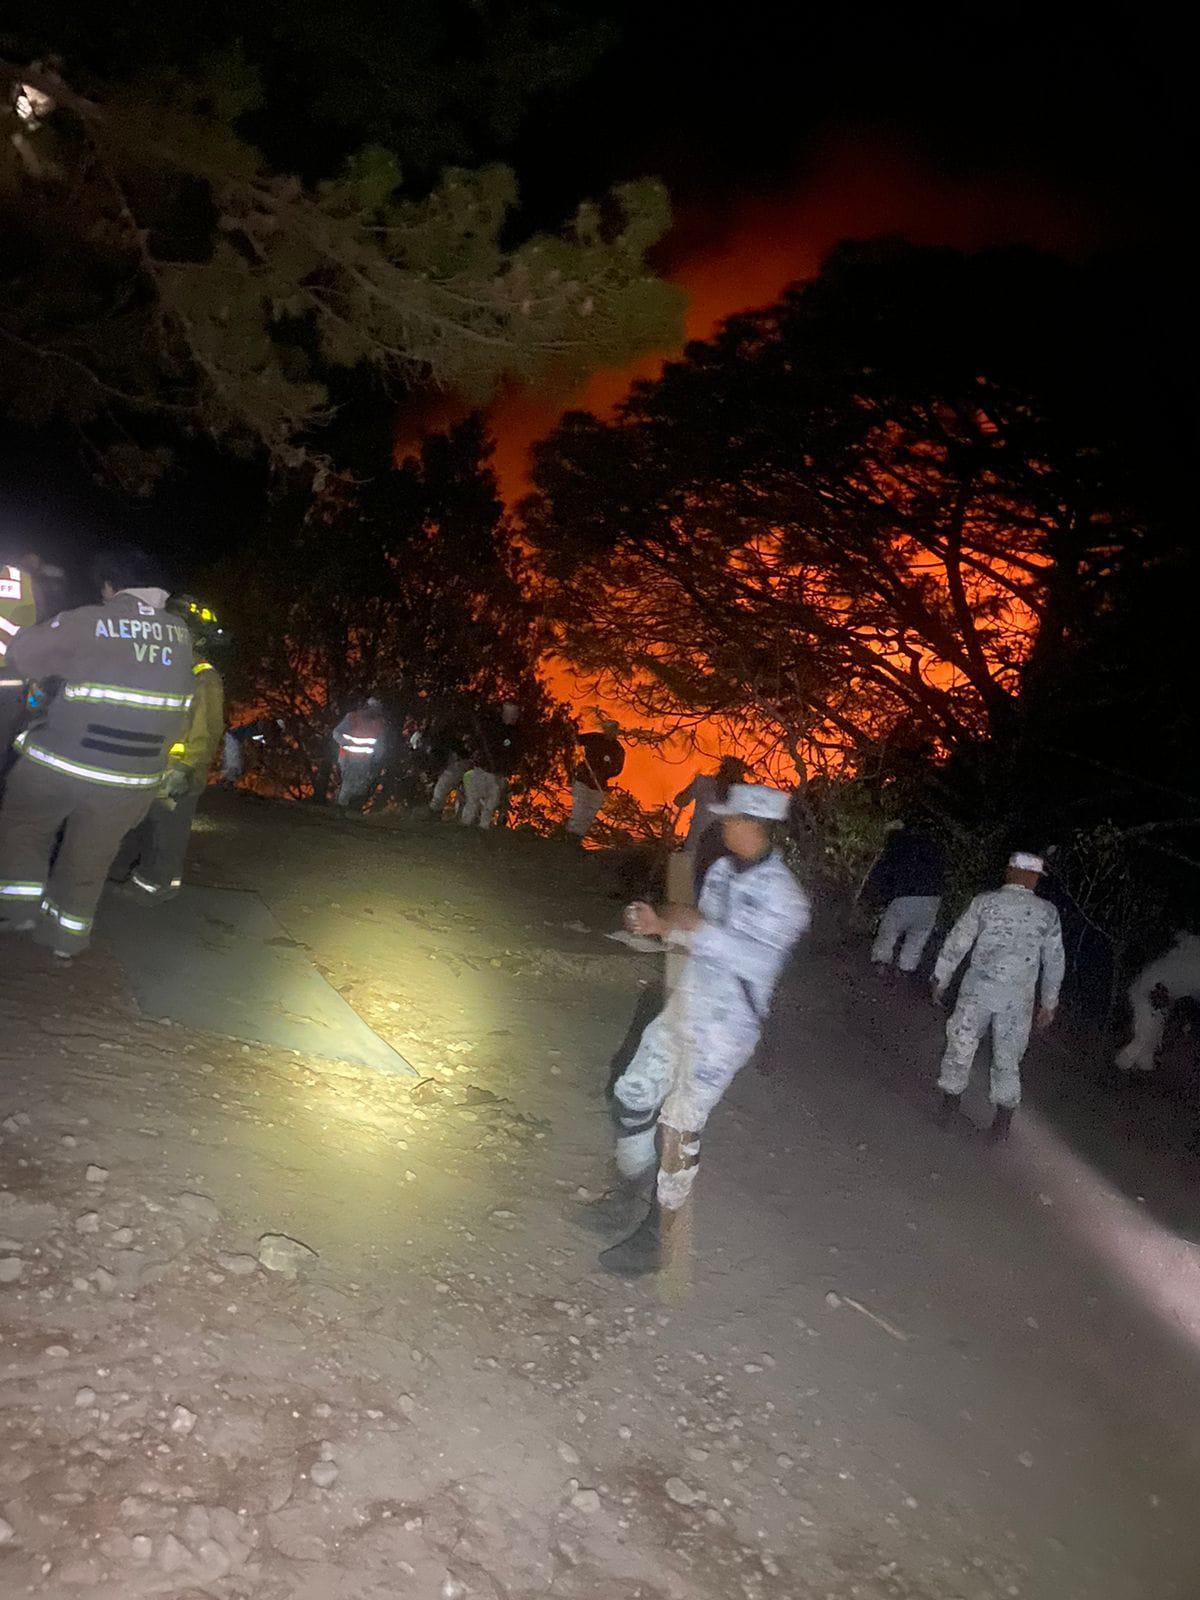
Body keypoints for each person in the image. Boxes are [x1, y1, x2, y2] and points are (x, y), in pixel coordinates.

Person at [594, 784, 810, 1278]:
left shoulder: (787, 899)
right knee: (631, 1093)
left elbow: (758, 961)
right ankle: (630, 1191)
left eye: (730, 819)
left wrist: (693, 928)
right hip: (688, 1004)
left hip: (727, 1028)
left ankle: (657, 1237)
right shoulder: (719, 872)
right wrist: (660, 928)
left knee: (678, 1130)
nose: (723, 826)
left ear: (754, 825)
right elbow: (697, 935)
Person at [0, 546, 193, 959]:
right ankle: (66, 940)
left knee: (24, 823)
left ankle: (17, 909)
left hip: (65, 762)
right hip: (134, 780)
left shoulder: (90, 620)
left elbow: (23, 654)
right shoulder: (180, 633)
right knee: (90, 857)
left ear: (110, 586)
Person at [931, 851, 1065, 1141]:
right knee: (1008, 1056)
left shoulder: (985, 903)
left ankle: (949, 1103)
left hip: (978, 990)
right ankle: (1002, 1123)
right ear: (1033, 879)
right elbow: (1054, 961)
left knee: (961, 1044)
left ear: (1009, 872)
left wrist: (941, 976)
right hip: (1017, 999)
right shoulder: (1047, 913)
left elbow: (958, 940)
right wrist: (1049, 1002)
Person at [108, 595, 226, 900]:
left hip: (178, 775)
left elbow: (207, 730)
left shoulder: (202, 676)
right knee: (150, 829)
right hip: (153, 769)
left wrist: (184, 769)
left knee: (167, 833)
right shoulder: (166, 669)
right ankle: (154, 881)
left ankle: (154, 886)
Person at [866, 819, 947, 976]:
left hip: (906, 896)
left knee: (889, 930)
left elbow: (884, 874)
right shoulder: (929, 846)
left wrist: (879, 897)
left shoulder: (897, 846)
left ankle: (881, 964)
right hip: (932, 899)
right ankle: (905, 970)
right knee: (918, 936)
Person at [674, 756, 747, 897]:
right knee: (688, 896)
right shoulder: (704, 783)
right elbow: (679, 801)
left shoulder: (741, 795)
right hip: (696, 851)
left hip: (721, 856)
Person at [461, 700, 523, 829]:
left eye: (515, 713)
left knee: (492, 802)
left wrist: (508, 769)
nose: (514, 716)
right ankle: (465, 824)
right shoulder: (493, 728)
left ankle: (484, 826)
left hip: (498, 773)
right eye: (511, 713)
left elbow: (515, 754)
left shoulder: (515, 734)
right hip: (483, 769)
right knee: (474, 799)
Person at [568, 719, 625, 843]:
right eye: (608, 729)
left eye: (612, 730)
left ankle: (577, 839)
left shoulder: (617, 749)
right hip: (583, 780)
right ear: (604, 729)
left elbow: (617, 769)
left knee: (589, 814)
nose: (610, 732)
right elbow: (576, 739)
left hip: (599, 785)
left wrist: (602, 772)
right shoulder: (594, 738)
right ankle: (570, 839)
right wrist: (572, 729)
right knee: (578, 810)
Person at [331, 696, 387, 810]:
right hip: (348, 758)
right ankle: (340, 809)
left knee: (360, 787)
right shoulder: (353, 717)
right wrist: (347, 743)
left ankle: (347, 807)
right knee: (348, 784)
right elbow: (337, 733)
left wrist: (376, 761)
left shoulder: (378, 723)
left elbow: (379, 745)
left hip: (365, 760)